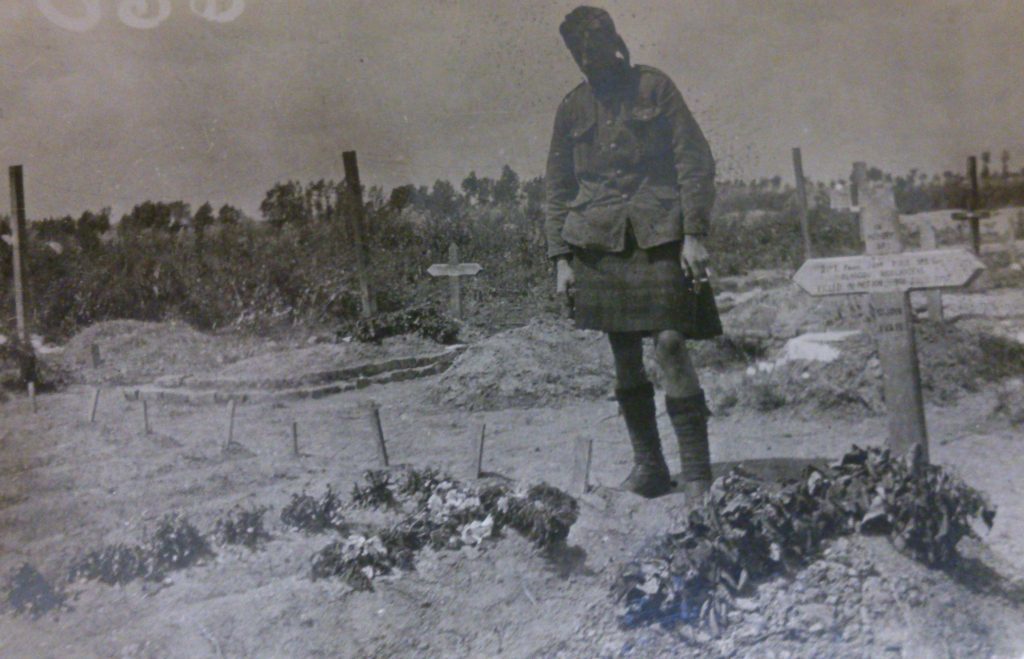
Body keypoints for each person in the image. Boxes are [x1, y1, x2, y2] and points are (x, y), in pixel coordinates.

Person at [545, 6, 719, 499]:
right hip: (598, 243)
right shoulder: (572, 107)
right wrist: (560, 259)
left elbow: (694, 159)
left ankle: (698, 474)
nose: (586, 61)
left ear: (614, 44)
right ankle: (650, 468)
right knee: (624, 354)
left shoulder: (654, 87)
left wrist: (694, 234)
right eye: (577, 54)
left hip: (661, 232)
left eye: (594, 51)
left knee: (669, 343)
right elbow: (556, 186)